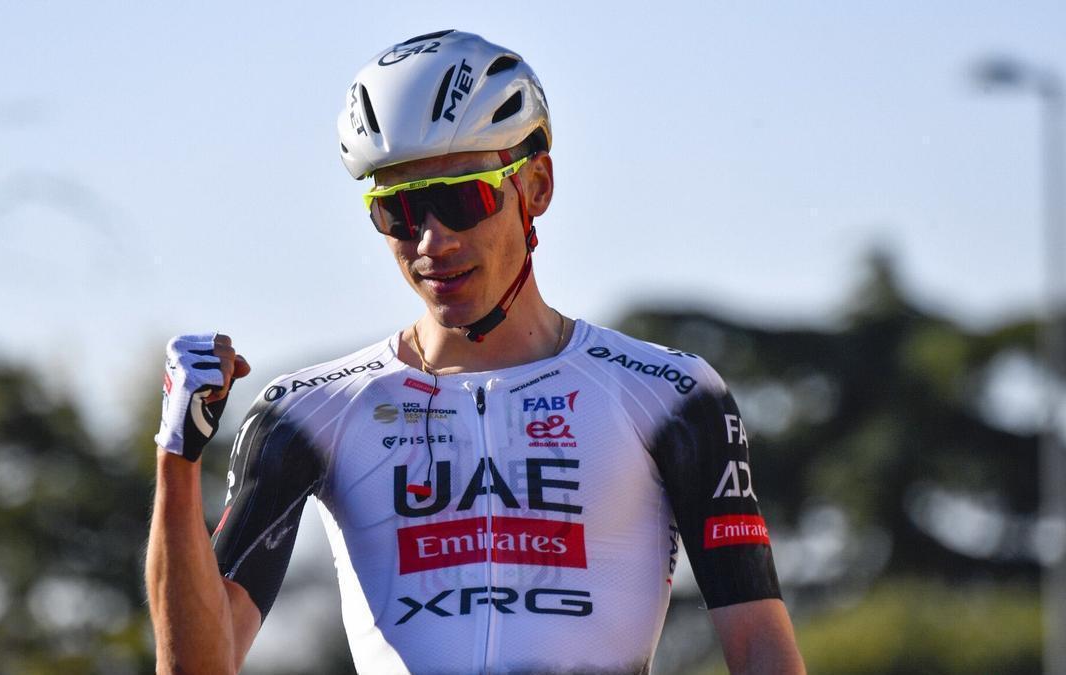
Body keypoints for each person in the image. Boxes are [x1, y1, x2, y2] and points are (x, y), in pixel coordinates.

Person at [146, 29, 805, 675]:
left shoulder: (672, 394)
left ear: (536, 188)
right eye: (399, 212)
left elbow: (759, 644)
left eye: (462, 200)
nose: (432, 241)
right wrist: (176, 464)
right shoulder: (309, 411)